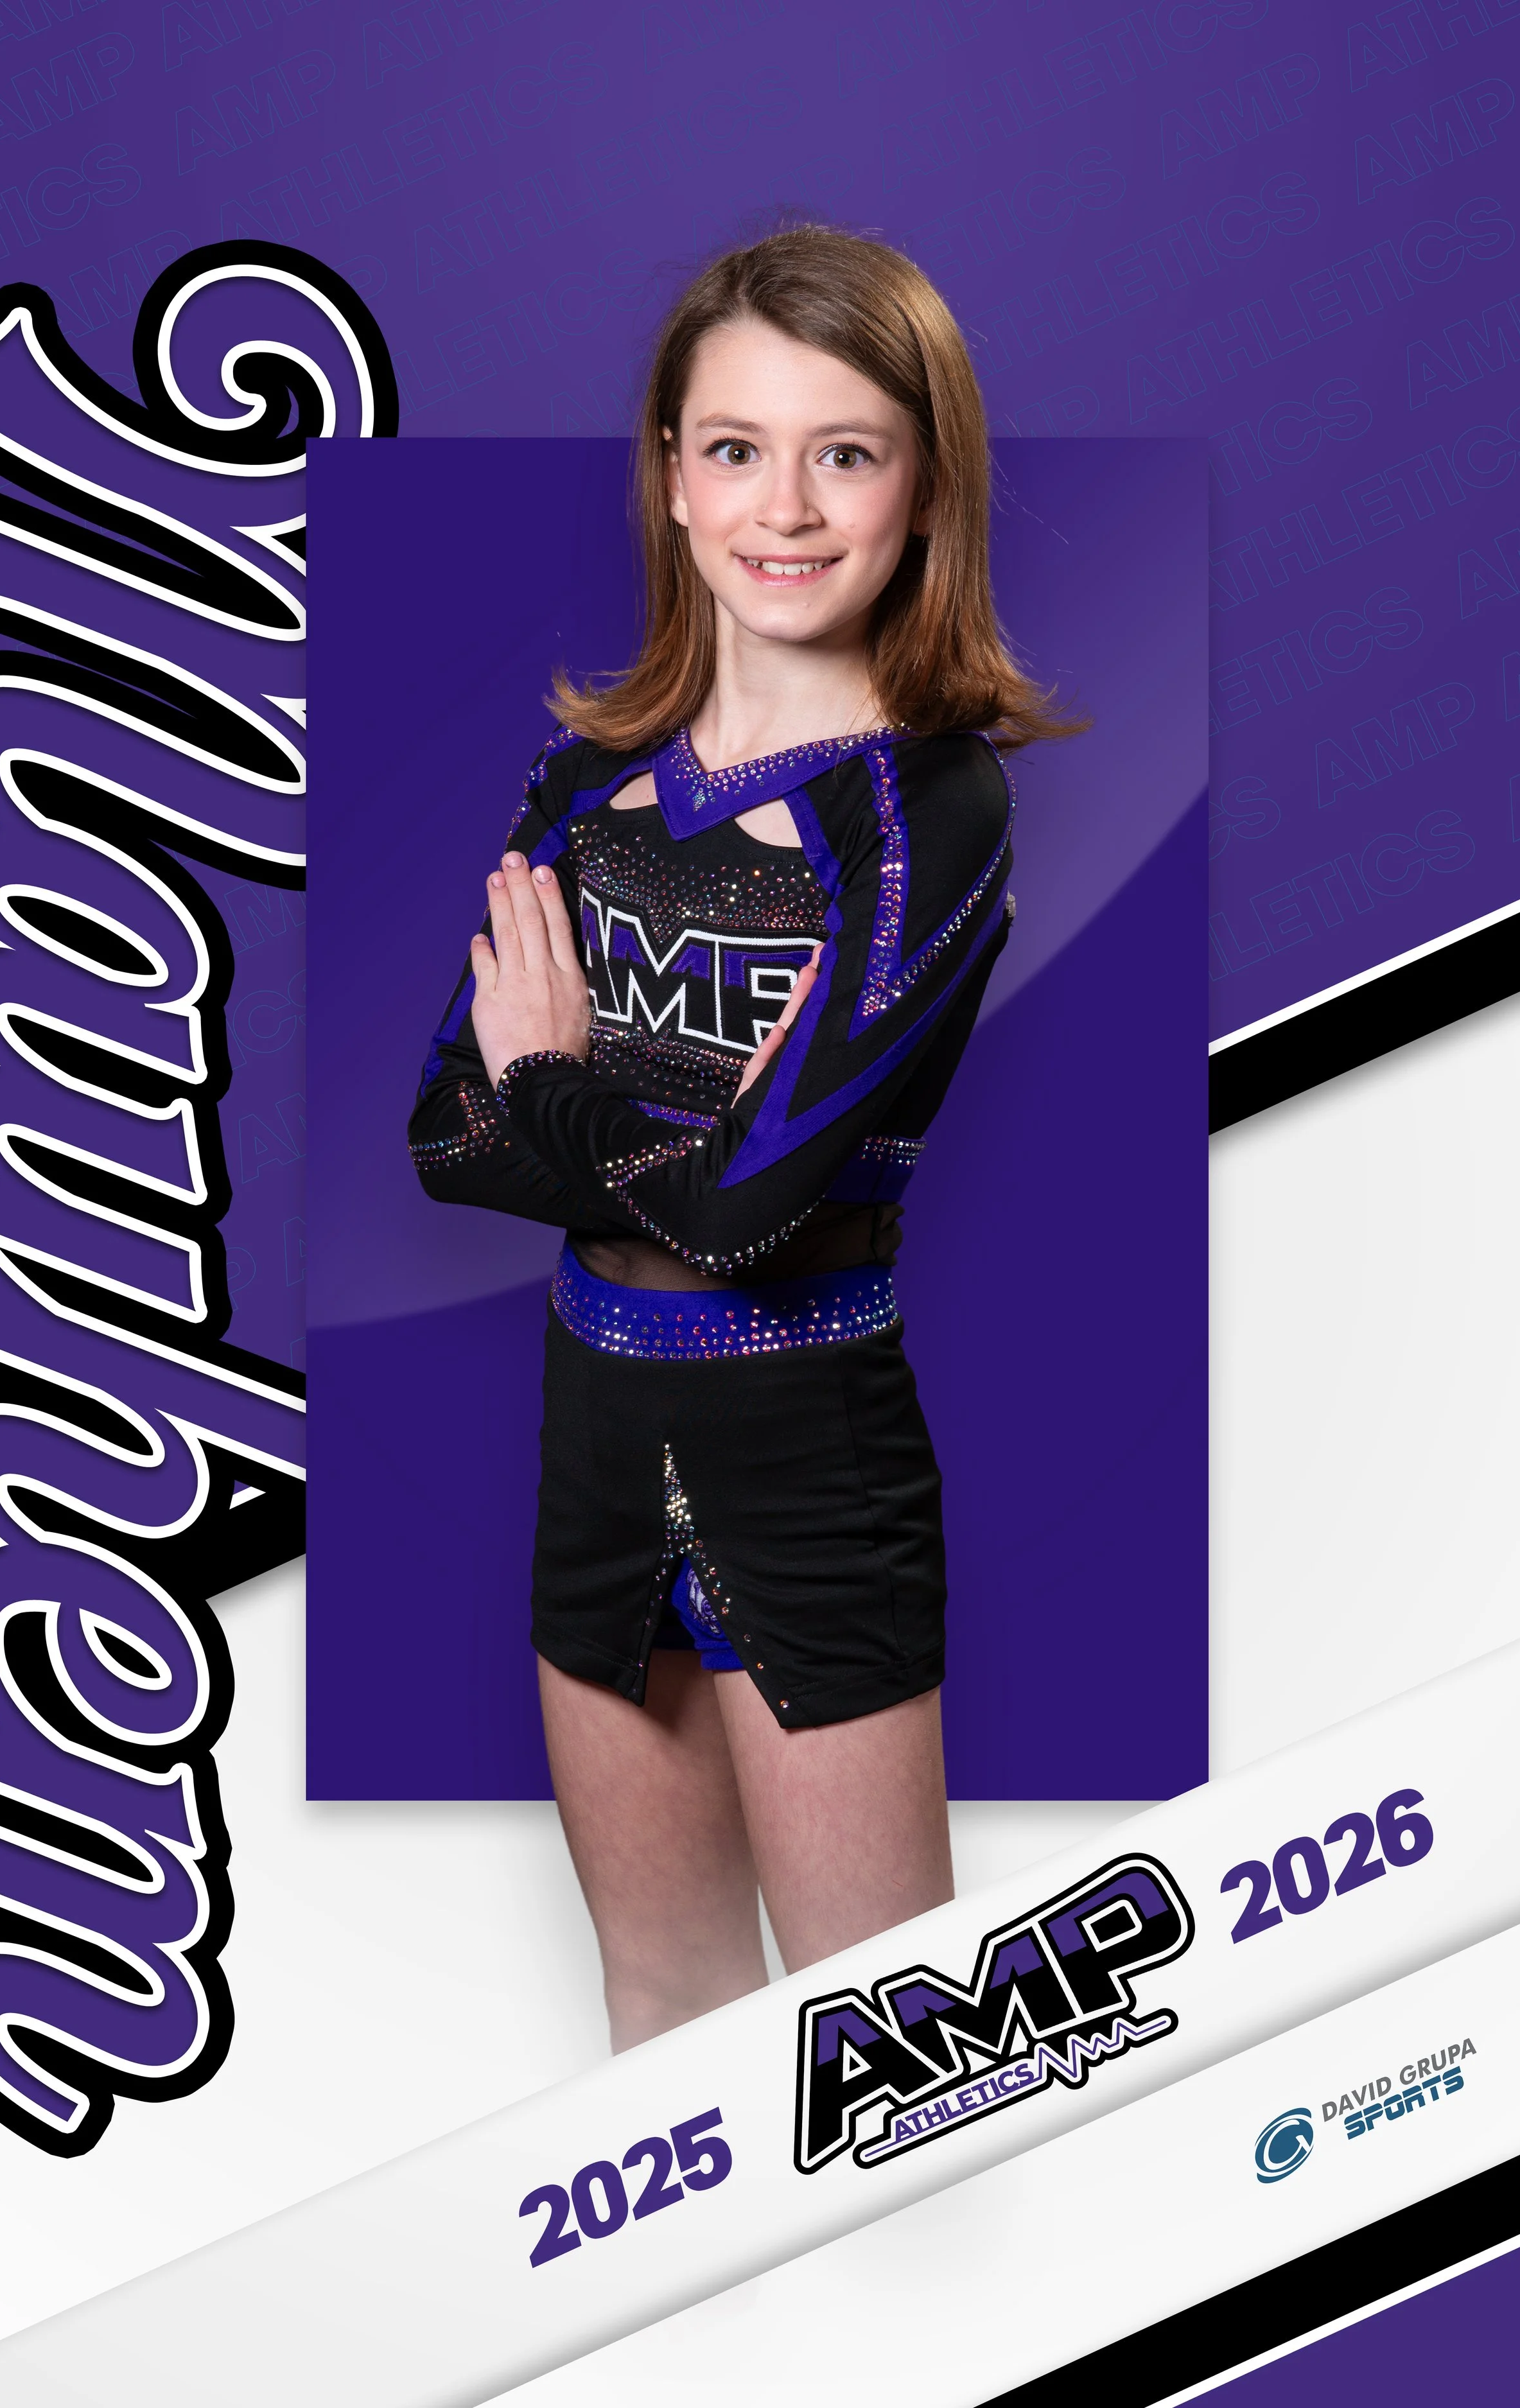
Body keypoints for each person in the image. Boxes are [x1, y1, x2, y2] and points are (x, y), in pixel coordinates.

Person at [409, 225, 1081, 2051]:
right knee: (667, 2019)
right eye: (733, 447)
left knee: (882, 2058)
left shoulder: (927, 809)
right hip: (593, 1430)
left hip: (807, 1450)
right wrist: (609, 1122)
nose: (783, 502)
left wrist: (557, 1076)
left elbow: (736, 1213)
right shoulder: (585, 778)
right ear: (668, 482)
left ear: (923, 487)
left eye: (843, 451)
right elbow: (438, 1137)